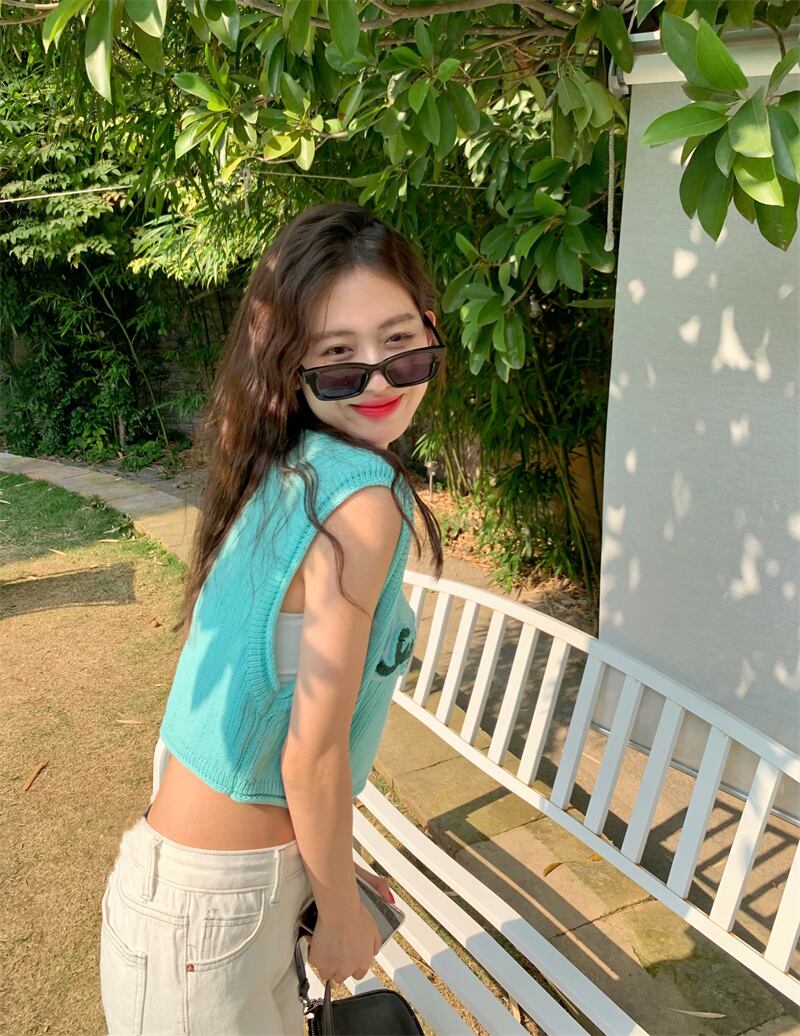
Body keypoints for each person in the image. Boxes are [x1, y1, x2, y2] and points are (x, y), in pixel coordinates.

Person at [98, 201, 445, 1035]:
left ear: (432, 327)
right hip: (215, 913)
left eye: (401, 343)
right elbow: (310, 755)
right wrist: (342, 914)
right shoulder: (360, 502)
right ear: (293, 368)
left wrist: (326, 874)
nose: (379, 381)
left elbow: (255, 704)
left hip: (199, 895)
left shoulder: (287, 467)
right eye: (338, 359)